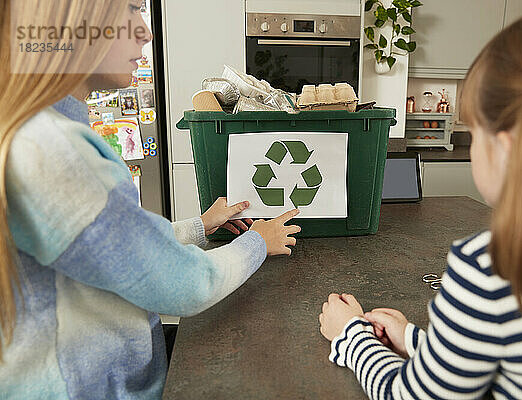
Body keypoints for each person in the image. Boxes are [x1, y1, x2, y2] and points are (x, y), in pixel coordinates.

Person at [0, 0, 299, 398]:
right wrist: (259, 241)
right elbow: (187, 284)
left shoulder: (36, 130)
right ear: (74, 21)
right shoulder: (55, 150)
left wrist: (200, 226)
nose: (146, 30)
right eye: (129, 8)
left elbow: (110, 248)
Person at [319, 5, 522, 399]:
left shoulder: (494, 268)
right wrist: (417, 341)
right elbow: (503, 361)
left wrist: (352, 339)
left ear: (506, 150)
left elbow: (413, 395)